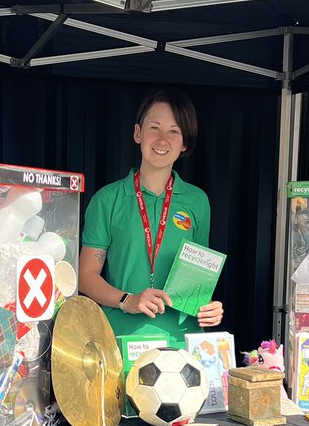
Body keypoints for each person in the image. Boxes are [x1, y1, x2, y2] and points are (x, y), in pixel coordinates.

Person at [79, 88, 224, 341]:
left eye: (174, 131)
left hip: (182, 341)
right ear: (138, 133)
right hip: (121, 340)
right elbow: (85, 276)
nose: (162, 139)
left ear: (184, 143)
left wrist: (208, 308)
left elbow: (198, 279)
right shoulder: (107, 199)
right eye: (154, 127)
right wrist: (128, 300)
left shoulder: (197, 201)